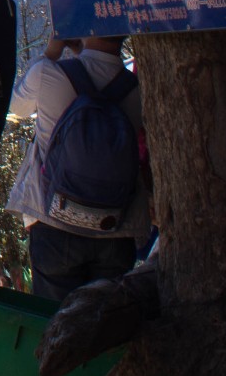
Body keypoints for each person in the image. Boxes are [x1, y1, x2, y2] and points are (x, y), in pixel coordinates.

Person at [8, 36, 148, 302]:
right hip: (117, 226)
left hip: (54, 223)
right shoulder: (139, 88)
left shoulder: (49, 73)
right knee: (107, 325)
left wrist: (51, 53)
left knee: (55, 327)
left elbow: (17, 108)